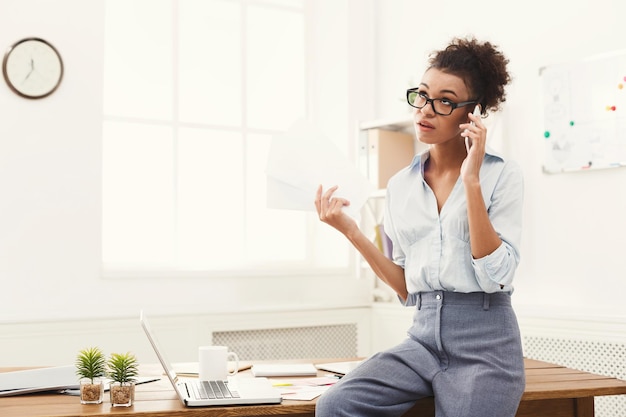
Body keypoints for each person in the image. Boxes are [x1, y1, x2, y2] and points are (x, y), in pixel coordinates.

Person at [314, 36, 525, 417]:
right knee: (336, 405)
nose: (425, 110)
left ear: (472, 113)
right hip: (423, 341)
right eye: (422, 95)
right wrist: (351, 231)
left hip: (486, 346)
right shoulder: (400, 186)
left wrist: (471, 180)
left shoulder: (501, 176)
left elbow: (497, 275)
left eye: (444, 100)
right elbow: (407, 288)